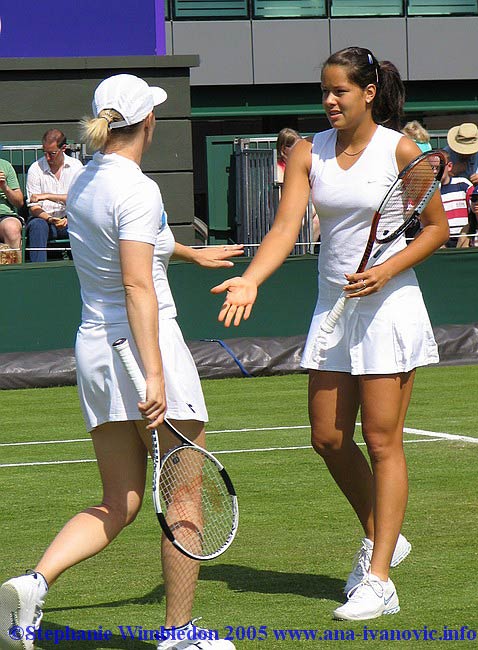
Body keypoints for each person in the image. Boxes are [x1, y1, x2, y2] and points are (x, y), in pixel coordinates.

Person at [0, 74, 241, 650]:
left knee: (122, 500)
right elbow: (137, 283)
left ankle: (33, 583)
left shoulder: (84, 183)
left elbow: (136, 243)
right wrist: (156, 374)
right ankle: (179, 633)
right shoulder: (139, 189)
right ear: (148, 122)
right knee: (183, 494)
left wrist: (188, 252)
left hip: (96, 350)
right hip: (144, 347)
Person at [212, 47, 448, 621]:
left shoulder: (401, 150)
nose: (329, 100)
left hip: (388, 306)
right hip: (332, 307)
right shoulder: (305, 152)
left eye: (340, 90)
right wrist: (251, 281)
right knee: (328, 438)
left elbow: (437, 228)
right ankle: (382, 535)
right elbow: (285, 227)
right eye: (324, 90)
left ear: (368, 93)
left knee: (383, 440)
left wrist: (385, 270)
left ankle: (380, 576)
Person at [25, 129, 83, 262]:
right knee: (37, 225)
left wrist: (46, 195)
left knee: (82, 223)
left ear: (63, 148)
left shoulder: (76, 167)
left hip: (69, 218)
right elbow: (33, 207)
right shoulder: (36, 168)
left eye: (52, 153)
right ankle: (38, 271)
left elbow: (79, 200)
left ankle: (80, 268)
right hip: (44, 219)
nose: (47, 158)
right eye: (44, 153)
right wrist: (51, 219)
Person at [276, 128, 320, 245]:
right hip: (284, 208)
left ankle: (306, 249)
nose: (299, 150)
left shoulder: (302, 164)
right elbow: (280, 197)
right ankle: (293, 248)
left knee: (318, 219)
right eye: (295, 147)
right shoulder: (278, 168)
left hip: (304, 206)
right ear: (284, 149)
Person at [435, 150, 472, 248]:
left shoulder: (463, 184)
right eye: (431, 168)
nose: (435, 171)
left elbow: (476, 208)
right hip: (439, 238)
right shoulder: (426, 191)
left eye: (439, 167)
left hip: (463, 235)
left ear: (449, 166)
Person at [0, 157, 24, 263]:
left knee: (12, 228)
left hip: (3, 216)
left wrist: (4, 187)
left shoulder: (5, 165)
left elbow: (19, 202)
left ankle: (15, 273)